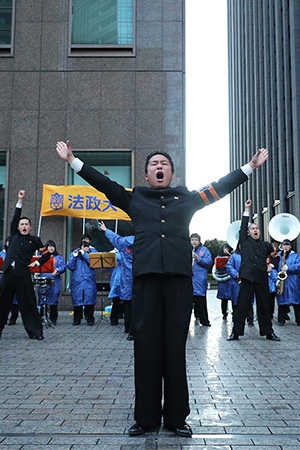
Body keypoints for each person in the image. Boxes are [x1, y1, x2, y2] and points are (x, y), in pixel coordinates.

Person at [56, 140, 268, 437]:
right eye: (153, 164)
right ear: (146, 175)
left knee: (174, 349)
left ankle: (176, 418)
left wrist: (250, 168)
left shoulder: (188, 198)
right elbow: (104, 184)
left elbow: (220, 187)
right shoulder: (134, 198)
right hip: (145, 283)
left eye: (164, 164)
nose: (159, 166)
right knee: (146, 350)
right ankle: (145, 418)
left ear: (171, 173)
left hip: (179, 283)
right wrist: (73, 162)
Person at [0, 190, 50, 340]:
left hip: (23, 275)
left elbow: (47, 254)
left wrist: (37, 262)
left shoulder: (35, 240)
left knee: (28, 304)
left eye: (26, 224)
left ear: (30, 227)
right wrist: (19, 200)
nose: (23, 226)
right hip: (8, 274)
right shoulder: (13, 235)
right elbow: (15, 216)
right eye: (21, 224)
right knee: (2, 303)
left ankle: (36, 332)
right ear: (18, 226)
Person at [228, 199, 280, 342]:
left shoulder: (266, 245)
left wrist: (273, 265)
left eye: (257, 228)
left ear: (260, 232)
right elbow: (243, 226)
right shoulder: (244, 242)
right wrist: (247, 210)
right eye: (252, 229)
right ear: (248, 233)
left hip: (261, 278)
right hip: (246, 278)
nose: (255, 230)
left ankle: (269, 332)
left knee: (264, 307)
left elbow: (276, 256)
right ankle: (235, 332)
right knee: (242, 306)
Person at [99, 221, 134, 340]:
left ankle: (128, 328)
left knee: (128, 302)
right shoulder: (144, 241)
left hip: (127, 277)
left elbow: (115, 238)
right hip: (140, 276)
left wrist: (105, 230)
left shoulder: (124, 242)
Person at [55, 240, 97, 326]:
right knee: (77, 300)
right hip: (77, 280)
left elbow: (93, 262)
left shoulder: (91, 254)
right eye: (84, 246)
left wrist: (84, 254)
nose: (85, 248)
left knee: (89, 300)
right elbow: (70, 266)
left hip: (89, 280)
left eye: (87, 246)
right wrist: (74, 257)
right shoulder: (74, 253)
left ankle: (90, 319)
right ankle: (77, 319)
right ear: (80, 247)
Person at [227, 243, 254, 325]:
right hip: (236, 282)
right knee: (236, 302)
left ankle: (250, 319)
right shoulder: (234, 256)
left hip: (248, 280)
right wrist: (236, 274)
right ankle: (236, 318)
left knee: (249, 301)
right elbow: (229, 266)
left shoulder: (251, 255)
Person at [38, 240, 64, 325]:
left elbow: (63, 266)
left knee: (53, 300)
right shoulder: (40, 257)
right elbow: (33, 266)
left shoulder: (58, 258)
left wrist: (57, 270)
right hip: (43, 280)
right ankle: (42, 317)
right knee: (42, 299)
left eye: (53, 246)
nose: (51, 248)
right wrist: (36, 272)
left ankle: (53, 319)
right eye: (49, 246)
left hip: (54, 281)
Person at [276, 239, 300, 326]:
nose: (285, 247)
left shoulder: (295, 256)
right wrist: (276, 278)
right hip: (282, 281)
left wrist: (288, 267)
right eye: (284, 245)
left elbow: (299, 266)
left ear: (290, 246)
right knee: (282, 301)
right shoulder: (278, 256)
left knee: (296, 301)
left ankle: (298, 320)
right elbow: (274, 268)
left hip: (293, 281)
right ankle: (281, 320)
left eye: (287, 245)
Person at [190, 233, 212, 326]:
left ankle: (204, 320)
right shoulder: (187, 250)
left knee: (201, 301)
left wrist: (199, 259)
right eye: (192, 240)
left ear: (199, 241)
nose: (194, 242)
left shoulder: (204, 250)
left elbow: (209, 262)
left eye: (196, 240)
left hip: (199, 279)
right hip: (189, 279)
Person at [0, 237, 19, 325]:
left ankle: (13, 318)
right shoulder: (2, 254)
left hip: (14, 277)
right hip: (3, 278)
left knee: (14, 299)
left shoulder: (17, 253)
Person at [215, 243, 232, 320]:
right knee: (223, 299)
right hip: (223, 279)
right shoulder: (219, 257)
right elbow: (216, 268)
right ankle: (224, 313)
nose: (226, 250)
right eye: (224, 248)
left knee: (233, 297)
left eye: (227, 248)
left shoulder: (232, 256)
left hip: (230, 279)